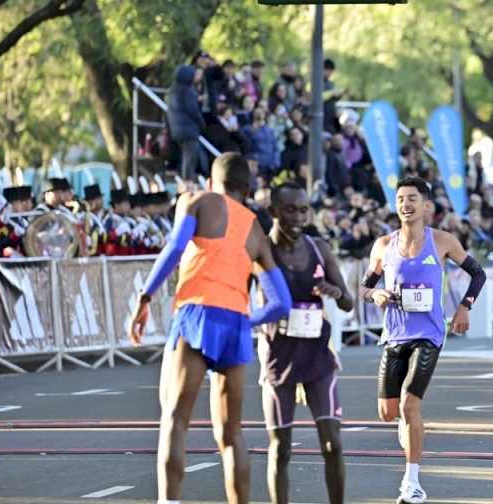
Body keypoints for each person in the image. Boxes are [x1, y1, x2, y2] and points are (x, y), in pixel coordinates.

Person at [127, 152, 293, 504]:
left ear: (210, 181)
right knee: (232, 434)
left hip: (196, 312)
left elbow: (174, 249)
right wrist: (250, 319)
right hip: (234, 323)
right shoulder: (256, 230)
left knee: (175, 417)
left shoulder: (196, 201)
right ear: (247, 190)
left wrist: (145, 297)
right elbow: (282, 303)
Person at [359, 176, 487, 504]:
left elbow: (478, 273)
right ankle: (408, 426)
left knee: (409, 404)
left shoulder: (443, 241)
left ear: (426, 205)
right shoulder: (383, 246)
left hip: (429, 334)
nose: (406, 204)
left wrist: (464, 307)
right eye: (401, 198)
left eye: (413, 198)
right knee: (388, 413)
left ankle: (412, 482)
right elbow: (361, 288)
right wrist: (375, 294)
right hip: (395, 335)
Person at [260, 182, 353, 504]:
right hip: (279, 356)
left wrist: (335, 291)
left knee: (332, 443)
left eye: (303, 210)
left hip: (317, 356)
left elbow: (348, 302)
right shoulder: (261, 250)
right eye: (290, 210)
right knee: (281, 448)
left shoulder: (319, 249)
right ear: (273, 212)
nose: (298, 217)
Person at [167, 65, 206, 178]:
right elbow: (193, 110)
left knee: (185, 156)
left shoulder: (173, 91)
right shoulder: (188, 91)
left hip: (177, 129)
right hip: (189, 130)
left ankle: (185, 178)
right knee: (190, 157)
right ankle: (187, 181)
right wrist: (201, 123)